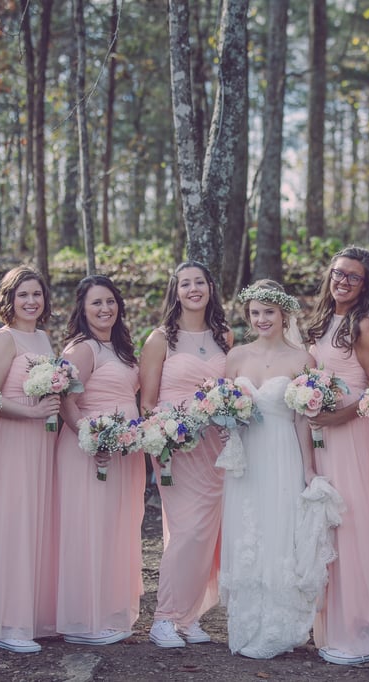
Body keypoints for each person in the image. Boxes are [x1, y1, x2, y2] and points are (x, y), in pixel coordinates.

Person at [219, 280, 320, 659]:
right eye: (255, 313)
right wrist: (225, 415)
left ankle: (281, 625)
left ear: (284, 314)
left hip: (282, 451)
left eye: (269, 312)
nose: (262, 319)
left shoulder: (302, 359)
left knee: (279, 531)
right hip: (247, 455)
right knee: (248, 530)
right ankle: (247, 623)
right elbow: (225, 409)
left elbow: (302, 420)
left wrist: (308, 467)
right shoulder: (236, 357)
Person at [304, 246, 369, 665]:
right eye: (338, 273)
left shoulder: (364, 326)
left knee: (353, 522)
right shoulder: (321, 321)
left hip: (352, 435)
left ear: (364, 284)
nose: (343, 281)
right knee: (327, 525)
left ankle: (362, 630)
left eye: (353, 277)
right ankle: (331, 626)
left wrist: (340, 416)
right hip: (322, 436)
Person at [139, 260, 234, 648]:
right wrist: (160, 439)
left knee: (208, 534)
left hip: (215, 448)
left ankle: (189, 615)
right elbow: (147, 402)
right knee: (186, 531)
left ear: (210, 287)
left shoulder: (224, 337)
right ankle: (163, 618)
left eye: (200, 282)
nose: (193, 289)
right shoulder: (161, 338)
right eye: (185, 284)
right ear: (175, 291)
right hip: (176, 448)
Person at [55, 275, 145, 646]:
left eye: (110, 301)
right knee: (88, 528)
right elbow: (66, 402)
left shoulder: (121, 347)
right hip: (88, 451)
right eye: (96, 303)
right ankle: (82, 620)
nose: (105, 309)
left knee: (115, 528)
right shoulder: (82, 349)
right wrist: (90, 438)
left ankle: (108, 609)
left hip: (122, 450)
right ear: (83, 308)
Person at [0, 265, 61, 653]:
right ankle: (6, 624)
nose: (31, 301)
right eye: (23, 295)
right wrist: (30, 412)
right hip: (12, 441)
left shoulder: (43, 338)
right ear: (8, 301)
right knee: (13, 523)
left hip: (42, 444)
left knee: (34, 523)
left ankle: (30, 617)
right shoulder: (3, 340)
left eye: (36, 294)